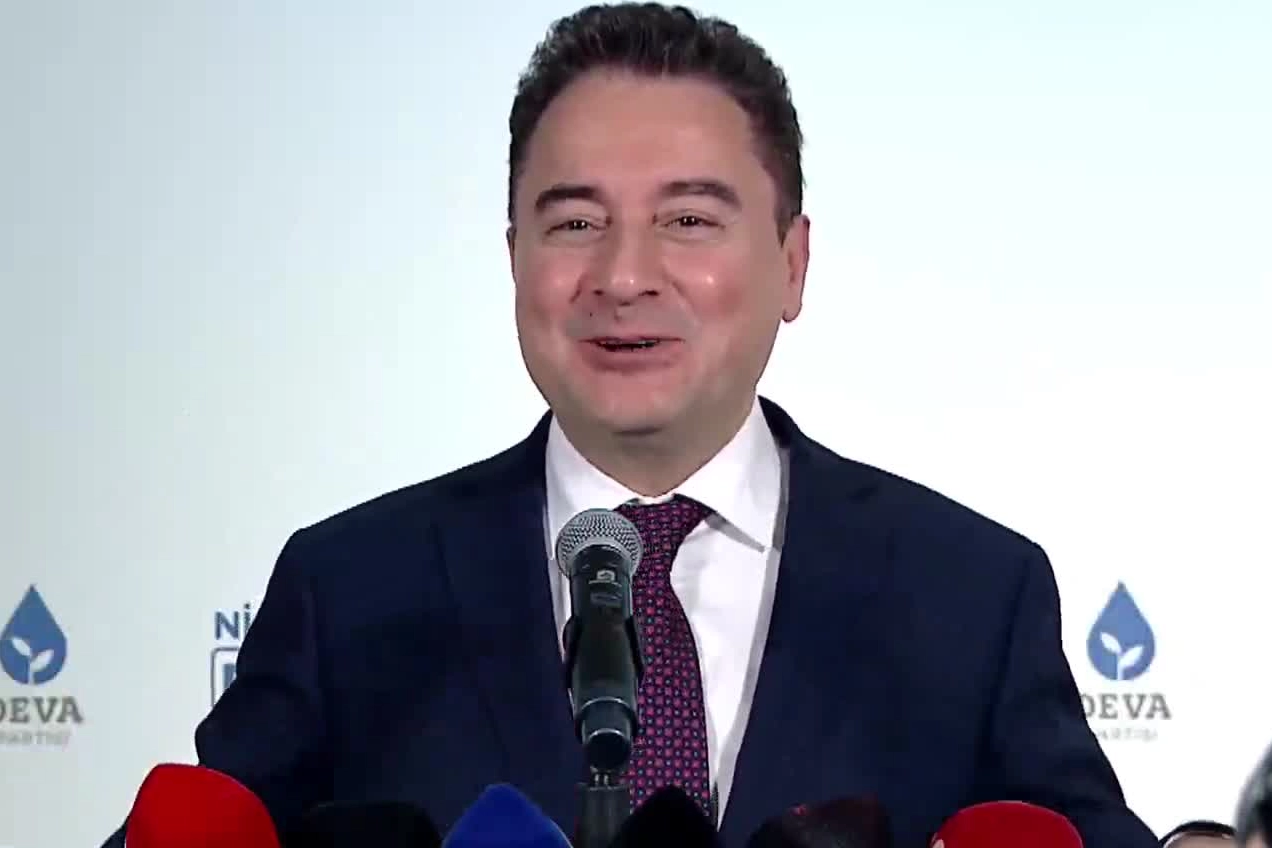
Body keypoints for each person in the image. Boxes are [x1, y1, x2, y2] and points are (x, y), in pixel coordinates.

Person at [101, 4, 1161, 847]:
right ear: (514, 258)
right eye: (575, 222)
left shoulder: (969, 594)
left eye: (688, 220)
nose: (622, 274)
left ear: (792, 263)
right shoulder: (351, 589)